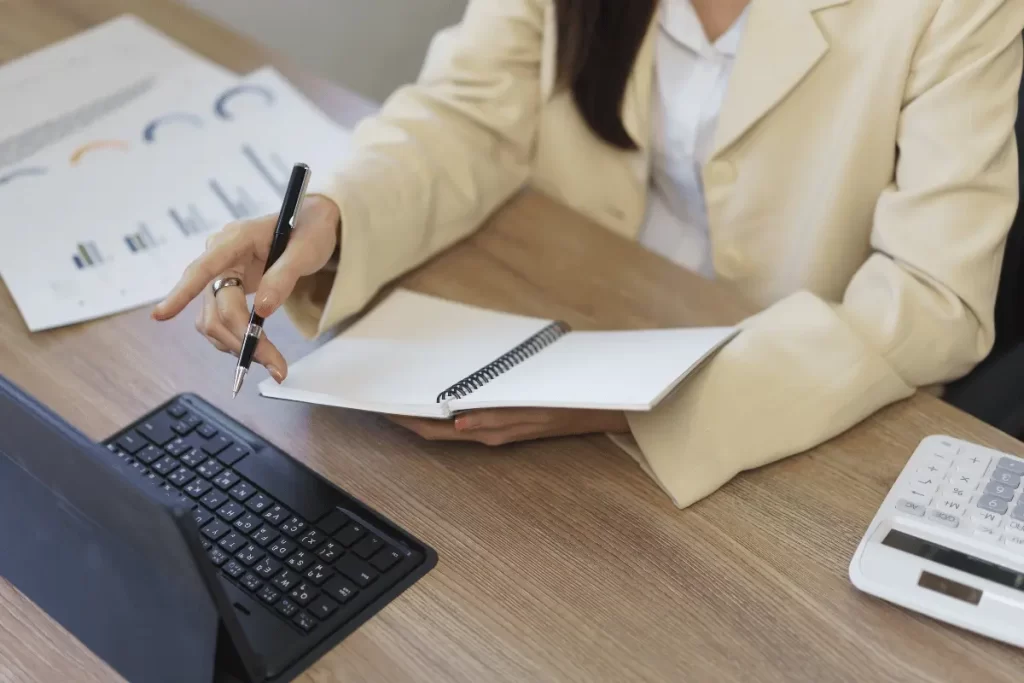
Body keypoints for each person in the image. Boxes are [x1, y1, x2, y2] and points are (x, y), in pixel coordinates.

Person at [152, 0, 1024, 508]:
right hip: (560, 315)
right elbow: (468, 108)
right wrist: (334, 216)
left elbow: (933, 295)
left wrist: (635, 401)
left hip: (785, 411)